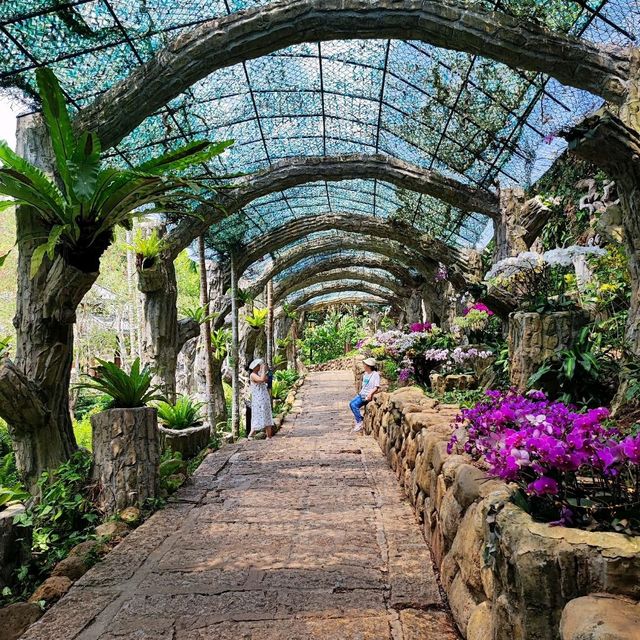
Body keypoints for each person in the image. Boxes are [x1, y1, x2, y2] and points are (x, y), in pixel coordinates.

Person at [349, 358, 380, 433]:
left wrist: (370, 394)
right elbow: (364, 386)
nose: (363, 366)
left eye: (365, 365)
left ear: (369, 366)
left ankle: (359, 422)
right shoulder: (365, 374)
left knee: (354, 405)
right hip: (361, 394)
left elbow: (376, 387)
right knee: (350, 403)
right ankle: (360, 419)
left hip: (367, 396)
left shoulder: (375, 375)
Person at [248, 358, 274, 439]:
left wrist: (267, 371)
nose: (259, 366)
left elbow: (266, 379)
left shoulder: (259, 374)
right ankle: (251, 434)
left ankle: (269, 436)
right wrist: (263, 370)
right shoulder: (252, 375)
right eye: (258, 365)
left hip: (264, 397)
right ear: (254, 367)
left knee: (266, 414)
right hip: (258, 399)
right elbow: (261, 380)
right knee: (258, 414)